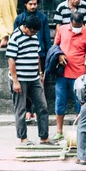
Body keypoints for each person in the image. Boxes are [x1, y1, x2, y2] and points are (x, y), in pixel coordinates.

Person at [6, 14, 53, 146]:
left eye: (36, 32)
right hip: (20, 79)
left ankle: (44, 137)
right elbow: (11, 60)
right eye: (32, 31)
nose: (34, 34)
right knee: (21, 109)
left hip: (34, 78)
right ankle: (23, 138)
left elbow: (37, 55)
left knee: (42, 106)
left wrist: (40, 73)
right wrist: (15, 81)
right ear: (25, 27)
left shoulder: (35, 36)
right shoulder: (15, 37)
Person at [52, 12, 86, 142]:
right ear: (70, 21)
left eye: (79, 25)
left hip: (79, 75)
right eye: (74, 25)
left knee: (80, 104)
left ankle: (80, 131)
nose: (77, 28)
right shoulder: (62, 29)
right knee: (60, 103)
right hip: (62, 73)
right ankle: (59, 131)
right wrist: (59, 55)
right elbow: (55, 46)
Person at [14, 0, 51, 121]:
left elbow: (46, 37)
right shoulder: (20, 18)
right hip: (23, 56)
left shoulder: (43, 17)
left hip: (39, 55)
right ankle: (28, 110)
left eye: (35, 4)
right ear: (25, 4)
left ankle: (36, 110)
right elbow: (15, 35)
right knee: (25, 84)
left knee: (39, 84)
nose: (33, 6)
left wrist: (47, 54)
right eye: (30, 4)